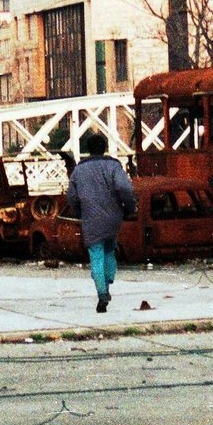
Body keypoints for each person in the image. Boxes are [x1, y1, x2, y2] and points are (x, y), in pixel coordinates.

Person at [67, 134, 137, 313]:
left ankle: (102, 293)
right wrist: (129, 207)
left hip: (90, 218)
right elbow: (125, 188)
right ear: (104, 147)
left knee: (96, 254)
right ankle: (108, 281)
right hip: (113, 217)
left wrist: (79, 212)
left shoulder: (78, 171)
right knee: (109, 250)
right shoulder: (113, 166)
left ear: (88, 149)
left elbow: (72, 197)